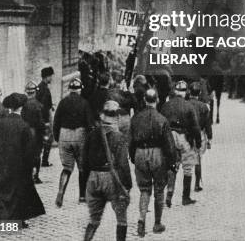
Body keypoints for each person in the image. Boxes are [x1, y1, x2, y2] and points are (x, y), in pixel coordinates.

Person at [0, 92, 45, 228]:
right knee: (20, 189)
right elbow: (29, 150)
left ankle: (0, 214)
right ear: (21, 108)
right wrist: (31, 166)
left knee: (3, 187)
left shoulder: (0, 123)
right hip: (19, 164)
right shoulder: (24, 126)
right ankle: (20, 219)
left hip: (3, 162)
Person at [129, 88, 176, 237]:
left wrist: (133, 157)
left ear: (144, 100)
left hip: (140, 154)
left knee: (144, 189)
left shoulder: (135, 118)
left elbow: (130, 142)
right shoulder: (162, 119)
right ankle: (157, 223)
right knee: (159, 190)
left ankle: (141, 220)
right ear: (156, 100)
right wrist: (172, 162)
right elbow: (169, 144)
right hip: (157, 154)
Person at [83, 100, 132, 241]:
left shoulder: (92, 134)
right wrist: (127, 185)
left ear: (102, 115)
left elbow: (84, 161)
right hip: (111, 178)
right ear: (117, 118)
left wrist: (87, 182)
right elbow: (123, 164)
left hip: (93, 178)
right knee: (121, 218)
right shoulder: (118, 137)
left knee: (93, 220)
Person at [53, 77, 94, 206]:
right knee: (82, 168)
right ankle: (82, 196)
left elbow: (56, 122)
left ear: (69, 89)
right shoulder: (84, 103)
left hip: (64, 135)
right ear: (80, 90)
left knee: (66, 168)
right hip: (79, 135)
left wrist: (57, 137)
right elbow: (90, 124)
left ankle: (60, 193)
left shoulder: (62, 102)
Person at [161, 80, 201, 207]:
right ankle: (185, 197)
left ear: (175, 91)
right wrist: (198, 143)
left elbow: (160, 123)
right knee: (188, 167)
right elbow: (195, 126)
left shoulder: (166, 105)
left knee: (171, 165)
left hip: (169, 137)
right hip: (183, 137)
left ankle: (169, 193)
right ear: (185, 93)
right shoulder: (189, 106)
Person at [188, 81, 212, 192]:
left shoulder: (185, 104)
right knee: (198, 159)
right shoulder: (204, 107)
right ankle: (197, 183)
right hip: (200, 134)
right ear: (200, 92)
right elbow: (208, 124)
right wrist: (209, 139)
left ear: (189, 92)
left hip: (187, 134)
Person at [22, 81, 46, 184]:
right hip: (36, 133)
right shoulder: (39, 105)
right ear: (35, 92)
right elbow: (41, 122)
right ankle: (35, 176)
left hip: (25, 132)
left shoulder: (22, 105)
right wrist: (44, 132)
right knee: (36, 155)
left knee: (26, 154)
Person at [36, 66, 55, 167]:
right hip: (45, 118)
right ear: (46, 77)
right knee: (48, 139)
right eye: (51, 76)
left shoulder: (39, 87)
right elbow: (44, 105)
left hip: (40, 118)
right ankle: (44, 161)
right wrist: (47, 120)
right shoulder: (45, 90)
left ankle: (42, 160)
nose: (51, 78)